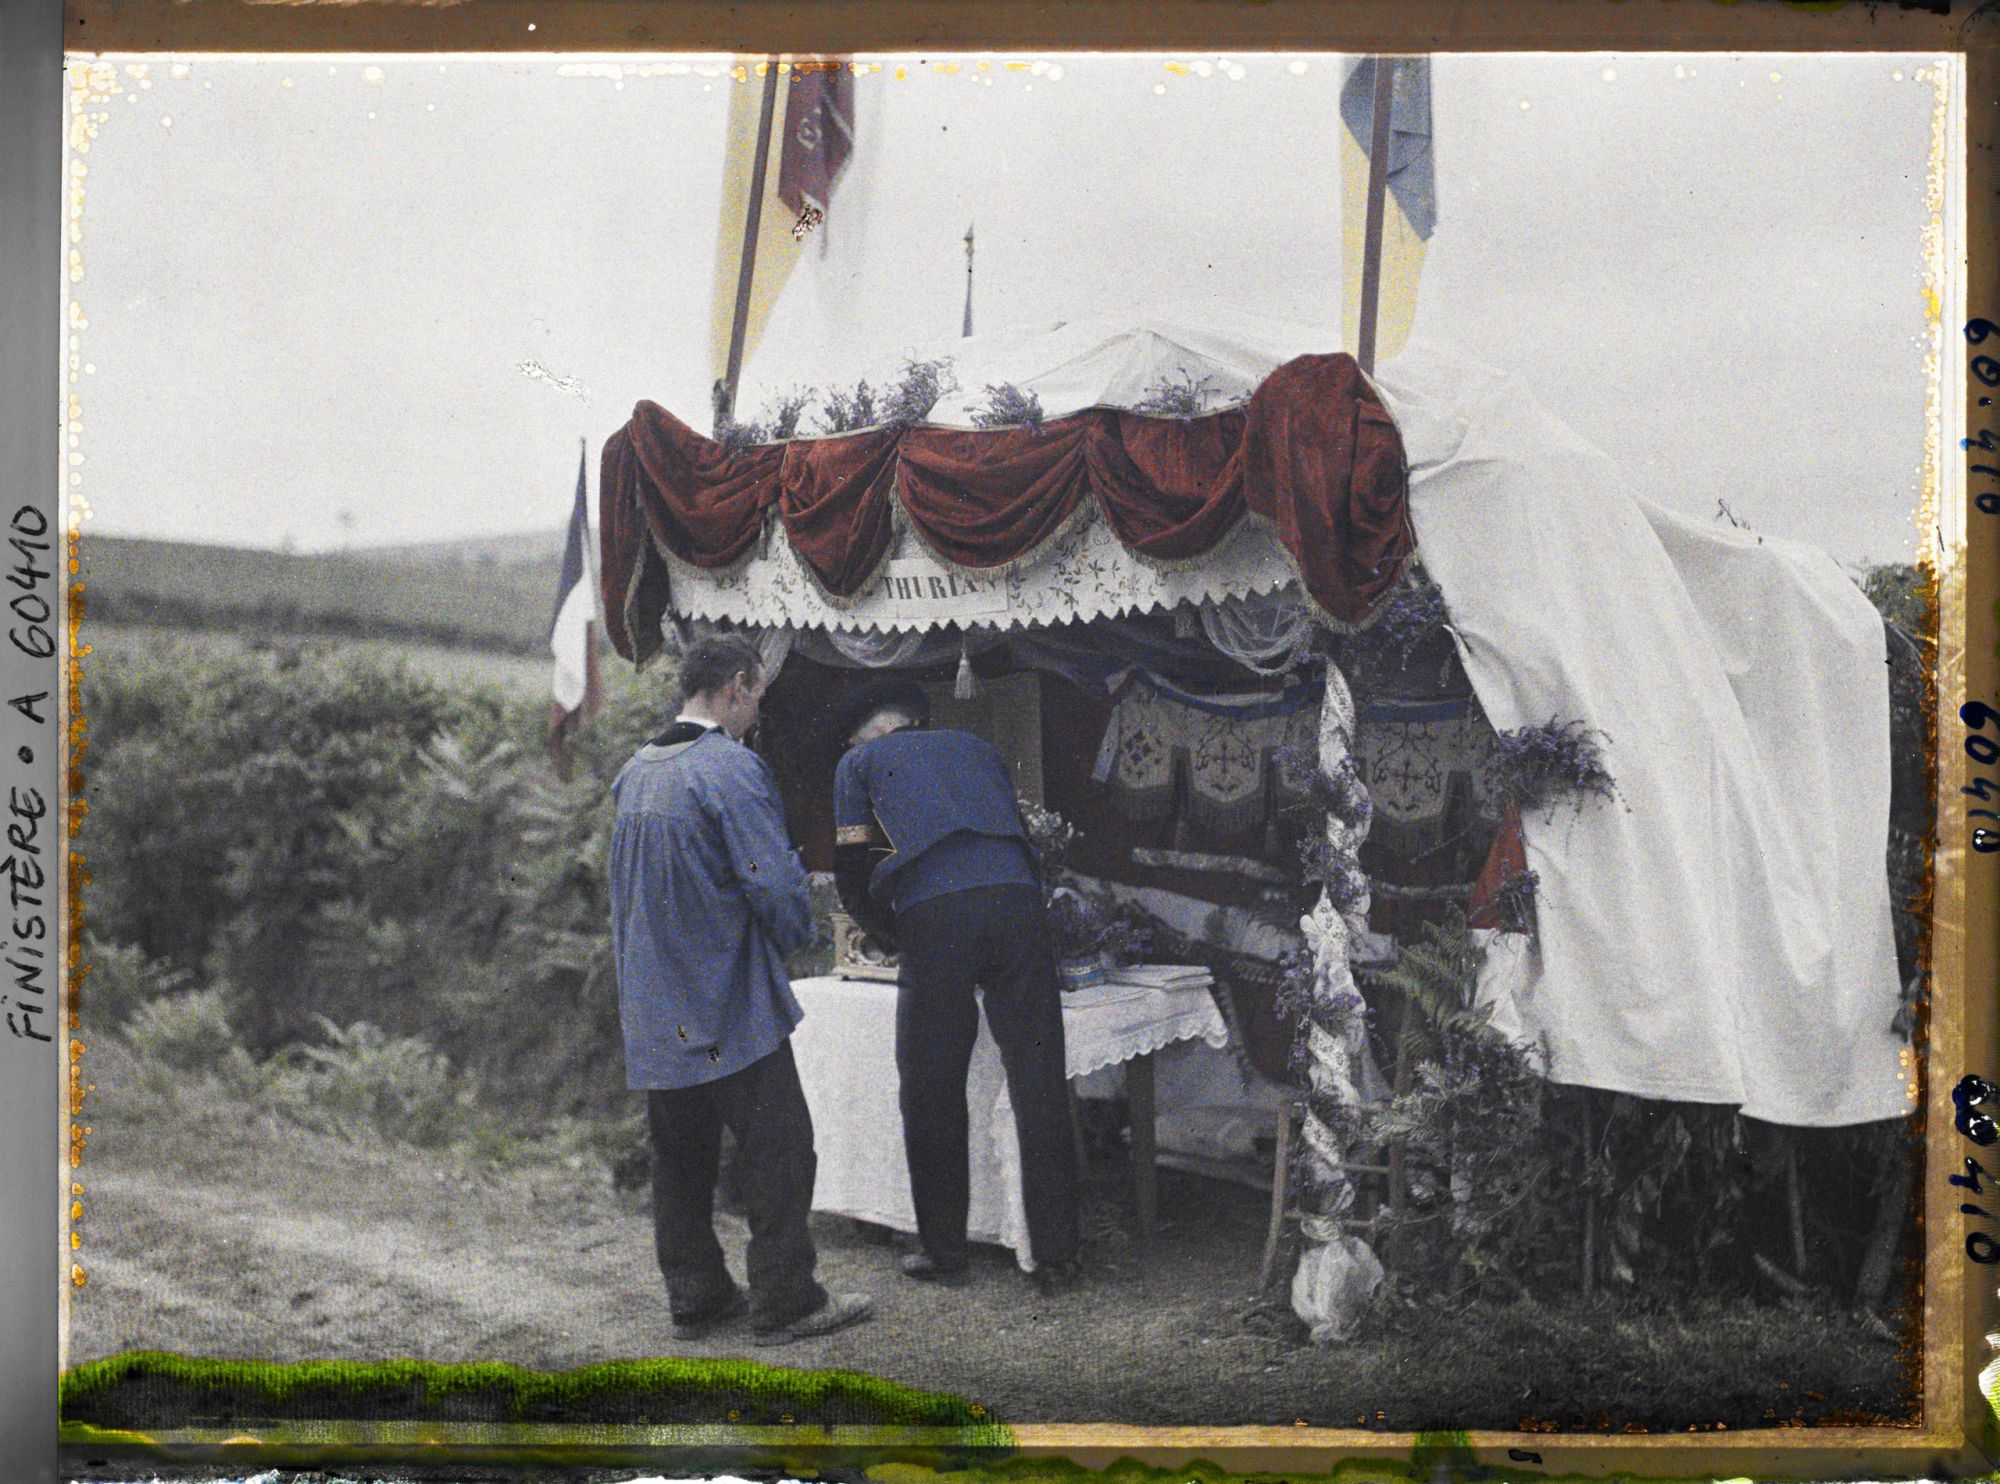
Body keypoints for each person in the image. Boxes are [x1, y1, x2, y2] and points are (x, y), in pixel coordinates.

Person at [609, 633, 873, 1345]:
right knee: (781, 1146)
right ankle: (786, 1300)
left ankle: (695, 1296)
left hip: (655, 1001)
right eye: (756, 694)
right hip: (725, 996)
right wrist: (800, 931)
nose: (757, 709)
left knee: (682, 1155)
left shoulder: (636, 772)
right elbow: (771, 884)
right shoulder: (729, 768)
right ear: (733, 688)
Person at [831, 676, 1082, 1295]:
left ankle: (945, 1252)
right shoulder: (978, 747)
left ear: (876, 729)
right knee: (1039, 1078)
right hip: (1019, 905)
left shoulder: (857, 761)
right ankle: (1058, 1257)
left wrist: (889, 935)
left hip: (934, 915)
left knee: (930, 1085)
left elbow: (851, 871)